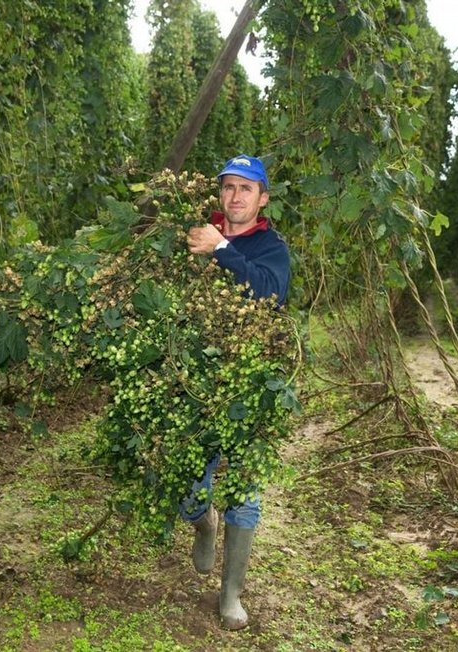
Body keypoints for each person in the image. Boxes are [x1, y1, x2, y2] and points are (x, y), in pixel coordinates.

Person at [183, 154, 291, 630]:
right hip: (193, 382)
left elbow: (268, 291)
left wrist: (222, 248)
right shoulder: (194, 236)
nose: (235, 196)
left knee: (244, 490)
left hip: (248, 384)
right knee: (188, 479)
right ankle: (202, 520)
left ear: (262, 198)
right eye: (228, 187)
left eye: (246, 188)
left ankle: (230, 595)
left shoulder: (271, 247)